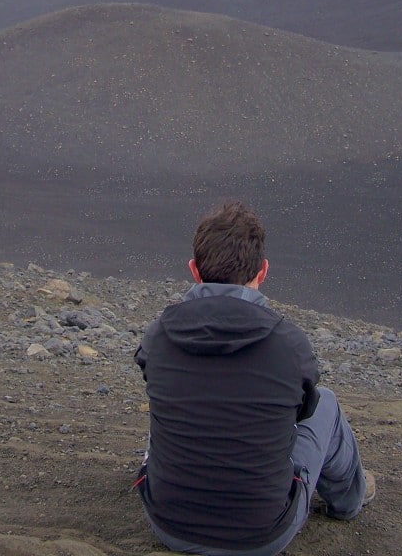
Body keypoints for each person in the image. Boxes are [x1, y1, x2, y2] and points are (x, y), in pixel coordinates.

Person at [134, 200, 373, 556]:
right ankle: (349, 501)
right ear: (263, 271)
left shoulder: (158, 336)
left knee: (172, 407)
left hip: (169, 526)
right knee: (327, 405)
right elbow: (304, 409)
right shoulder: (288, 344)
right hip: (261, 536)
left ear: (194, 270)